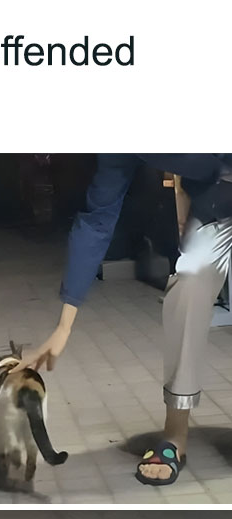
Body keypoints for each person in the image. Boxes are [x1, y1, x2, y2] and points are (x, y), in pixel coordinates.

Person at [13, 154, 232, 486]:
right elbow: (96, 220)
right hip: (218, 207)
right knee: (187, 285)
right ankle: (175, 434)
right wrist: (64, 325)